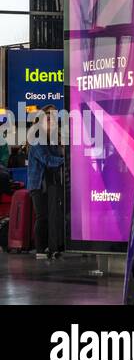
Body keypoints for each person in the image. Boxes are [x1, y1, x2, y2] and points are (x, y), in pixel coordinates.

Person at [29, 106, 65, 261]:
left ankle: (53, 246)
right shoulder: (37, 139)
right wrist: (66, 159)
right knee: (42, 216)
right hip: (38, 184)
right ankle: (40, 249)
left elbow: (57, 156)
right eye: (48, 116)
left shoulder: (53, 139)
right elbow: (48, 160)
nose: (52, 118)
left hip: (50, 183)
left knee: (52, 216)